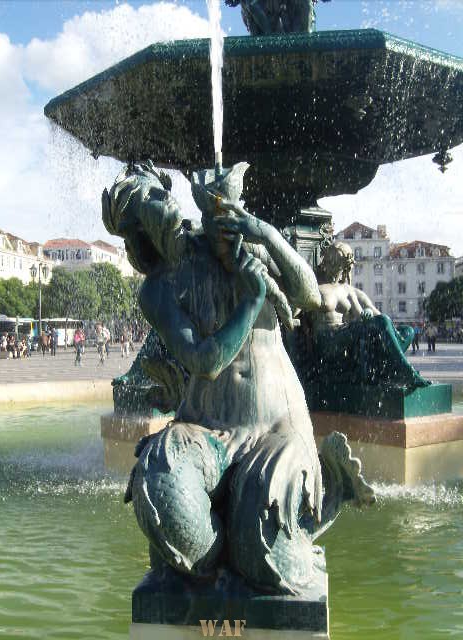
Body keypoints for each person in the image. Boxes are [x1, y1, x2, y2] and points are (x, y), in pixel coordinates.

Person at [103, 161, 333, 595]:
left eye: (136, 232)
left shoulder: (239, 244)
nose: (133, 250)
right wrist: (253, 300)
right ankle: (209, 567)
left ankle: (252, 545)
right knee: (159, 476)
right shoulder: (157, 289)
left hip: (273, 426)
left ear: (161, 217)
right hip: (205, 429)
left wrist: (264, 233)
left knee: (257, 540)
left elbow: (310, 295)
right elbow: (204, 362)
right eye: (125, 239)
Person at [307, 242, 429, 388]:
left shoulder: (352, 291)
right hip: (330, 338)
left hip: (348, 335)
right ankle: (405, 372)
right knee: (380, 323)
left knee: (407, 331)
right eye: (330, 261)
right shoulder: (318, 288)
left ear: (345, 266)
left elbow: (382, 319)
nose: (332, 267)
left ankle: (387, 370)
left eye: (337, 263)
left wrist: (369, 312)